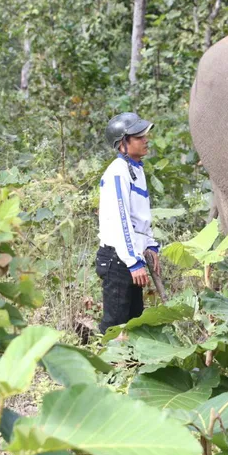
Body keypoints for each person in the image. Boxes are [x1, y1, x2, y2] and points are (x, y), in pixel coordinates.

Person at [96, 112, 161, 333]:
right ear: (123, 143)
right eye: (138, 136)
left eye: (144, 135)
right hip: (118, 258)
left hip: (132, 256)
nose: (145, 140)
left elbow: (140, 217)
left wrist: (150, 245)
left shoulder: (136, 169)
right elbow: (120, 220)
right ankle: (105, 366)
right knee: (115, 326)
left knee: (134, 325)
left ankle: (129, 367)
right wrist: (133, 261)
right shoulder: (118, 172)